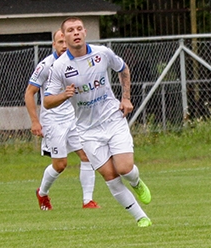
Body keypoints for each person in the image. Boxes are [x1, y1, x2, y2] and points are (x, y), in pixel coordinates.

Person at [43, 17, 153, 227]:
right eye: (70, 30)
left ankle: (136, 182)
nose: (75, 33)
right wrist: (64, 96)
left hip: (113, 120)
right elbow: (47, 102)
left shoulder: (102, 53)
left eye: (78, 29)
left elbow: (123, 68)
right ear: (64, 37)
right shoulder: (59, 67)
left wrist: (126, 98)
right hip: (87, 131)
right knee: (110, 175)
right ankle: (142, 218)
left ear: (84, 32)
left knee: (124, 168)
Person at [25, 29, 98, 211]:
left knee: (88, 155)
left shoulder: (77, 63)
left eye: (66, 42)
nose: (64, 46)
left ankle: (87, 201)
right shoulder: (46, 66)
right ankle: (42, 193)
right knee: (60, 165)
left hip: (74, 119)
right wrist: (35, 121)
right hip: (53, 121)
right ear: (53, 44)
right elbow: (29, 92)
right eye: (60, 43)